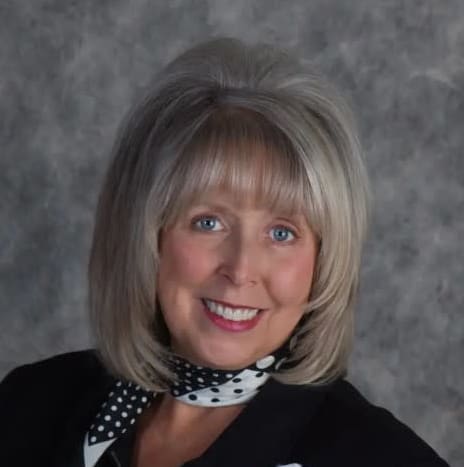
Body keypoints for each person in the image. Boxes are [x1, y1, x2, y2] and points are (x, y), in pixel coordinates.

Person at [0, 37, 450, 467]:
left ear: (324, 259)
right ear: (144, 234)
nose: (240, 269)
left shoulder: (381, 461)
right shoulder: (29, 405)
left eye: (282, 233)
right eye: (208, 223)